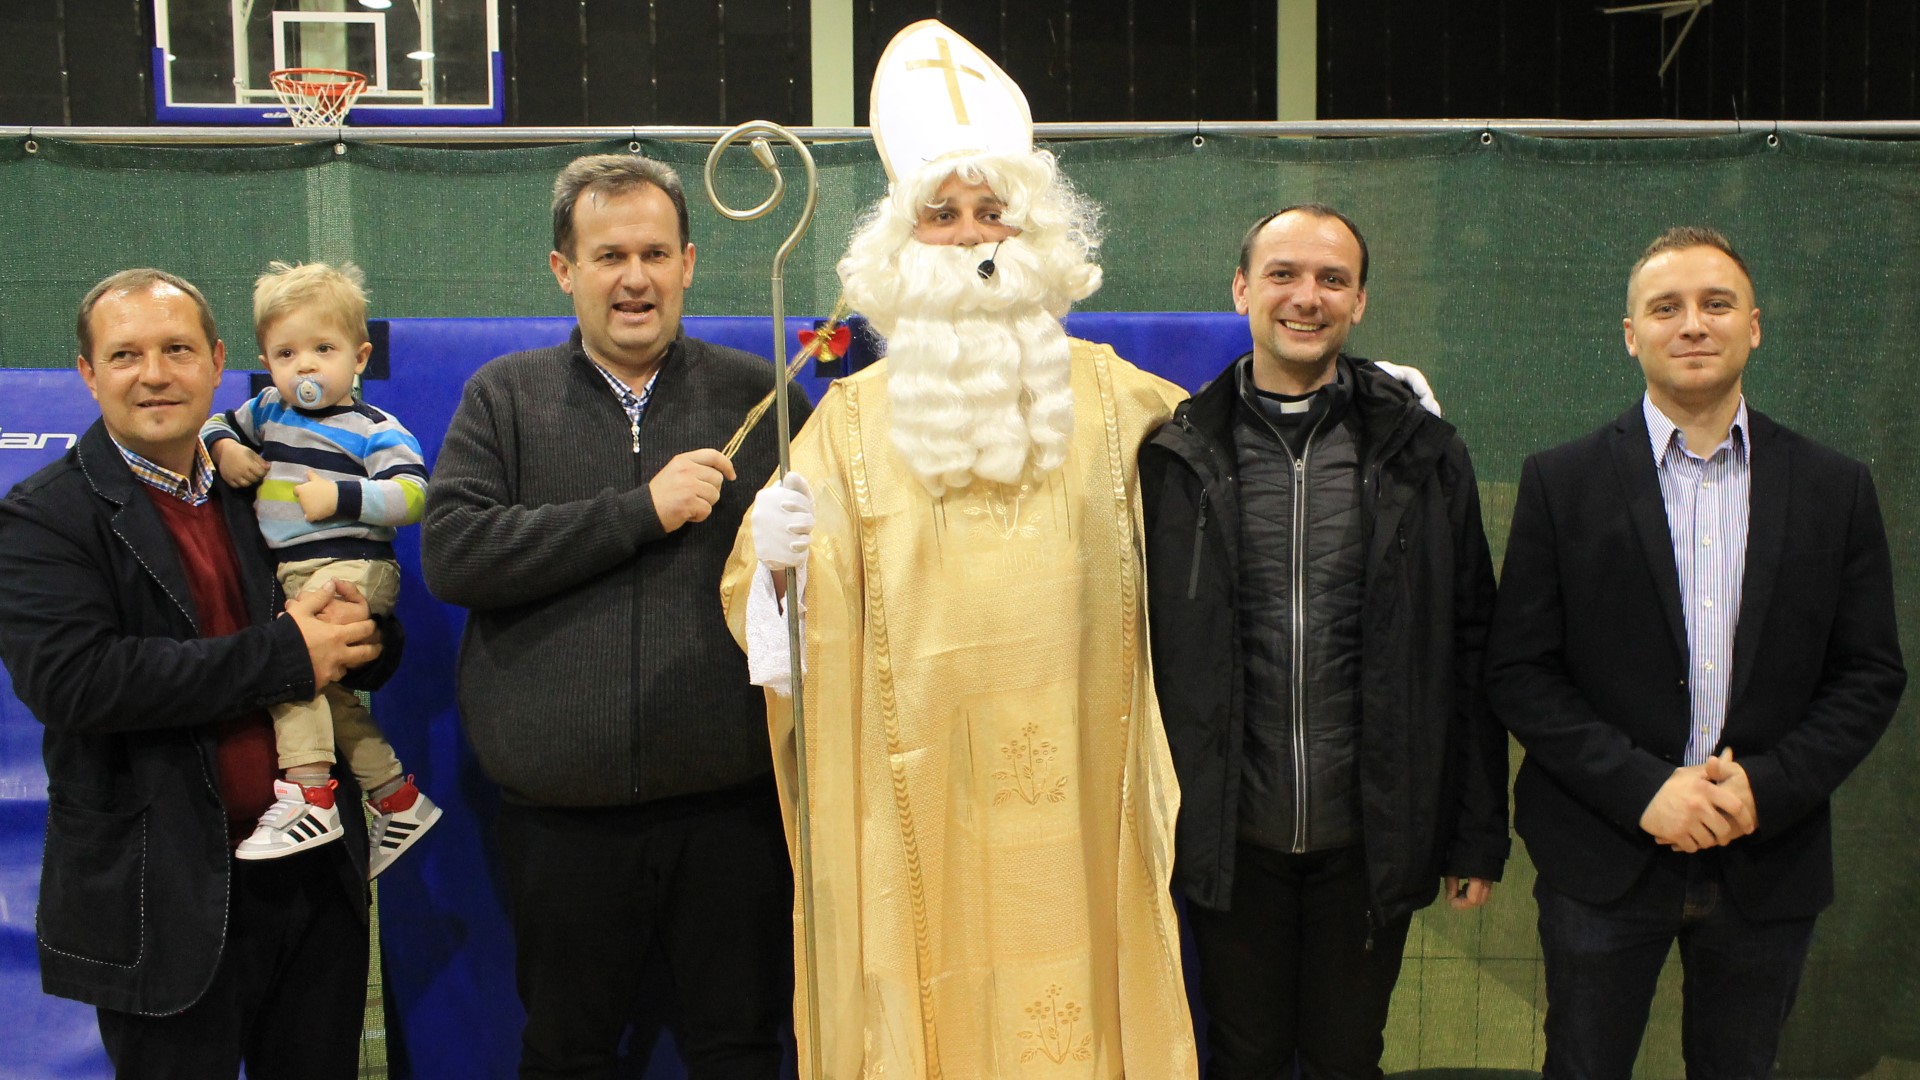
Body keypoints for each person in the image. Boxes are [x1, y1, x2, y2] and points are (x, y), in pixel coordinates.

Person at [723, 20, 1199, 1078]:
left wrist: (1360, 408)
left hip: (1082, 779)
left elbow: (1238, 475)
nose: (971, 234)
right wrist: (778, 564)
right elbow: (777, 629)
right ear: (904, 246)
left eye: (993, 211)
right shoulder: (847, 422)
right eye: (942, 215)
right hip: (922, 793)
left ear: (1036, 234)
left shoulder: (1119, 397)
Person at [420, 154, 810, 1078]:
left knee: (742, 1049)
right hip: (562, 821)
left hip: (735, 811)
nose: (635, 278)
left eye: (654, 253)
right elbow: (455, 553)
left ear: (688, 264)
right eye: (609, 257)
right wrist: (639, 511)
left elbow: (828, 587)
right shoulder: (504, 397)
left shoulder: (764, 395)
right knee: (568, 1052)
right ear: (565, 270)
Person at [1486, 226, 1905, 1077]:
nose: (1692, 324)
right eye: (1665, 307)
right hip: (1603, 856)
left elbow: (1869, 672)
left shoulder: (1835, 487)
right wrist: (1645, 789)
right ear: (1631, 334)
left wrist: (1764, 788)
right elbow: (1520, 672)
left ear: (1754, 325)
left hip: (1768, 860)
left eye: (1716, 304)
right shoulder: (1561, 482)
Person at [1138, 205, 1507, 1078]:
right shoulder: (1173, 456)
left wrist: (1475, 834)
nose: (1307, 297)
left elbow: (1471, 648)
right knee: (1246, 1056)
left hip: (1370, 839)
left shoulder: (1424, 455)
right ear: (1241, 290)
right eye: (1284, 274)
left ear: (1360, 302)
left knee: (1348, 1057)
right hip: (1229, 838)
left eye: (1332, 279)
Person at [0, 268, 393, 1078]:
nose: (154, 374)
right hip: (162, 900)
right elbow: (76, 681)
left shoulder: (265, 487)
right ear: (88, 374)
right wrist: (290, 654)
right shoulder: (42, 516)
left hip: (312, 885)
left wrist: (368, 635)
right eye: (125, 355)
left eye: (177, 350)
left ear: (217, 363)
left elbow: (368, 650)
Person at [202, 260, 441, 875]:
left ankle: (310, 795)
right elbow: (215, 423)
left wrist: (340, 496)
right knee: (327, 694)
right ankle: (396, 798)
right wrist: (225, 449)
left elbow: (414, 495)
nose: (305, 368)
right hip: (296, 571)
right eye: (286, 354)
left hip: (352, 565)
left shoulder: (373, 428)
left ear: (359, 357)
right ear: (266, 361)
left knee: (294, 668)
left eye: (323, 350)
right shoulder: (267, 411)